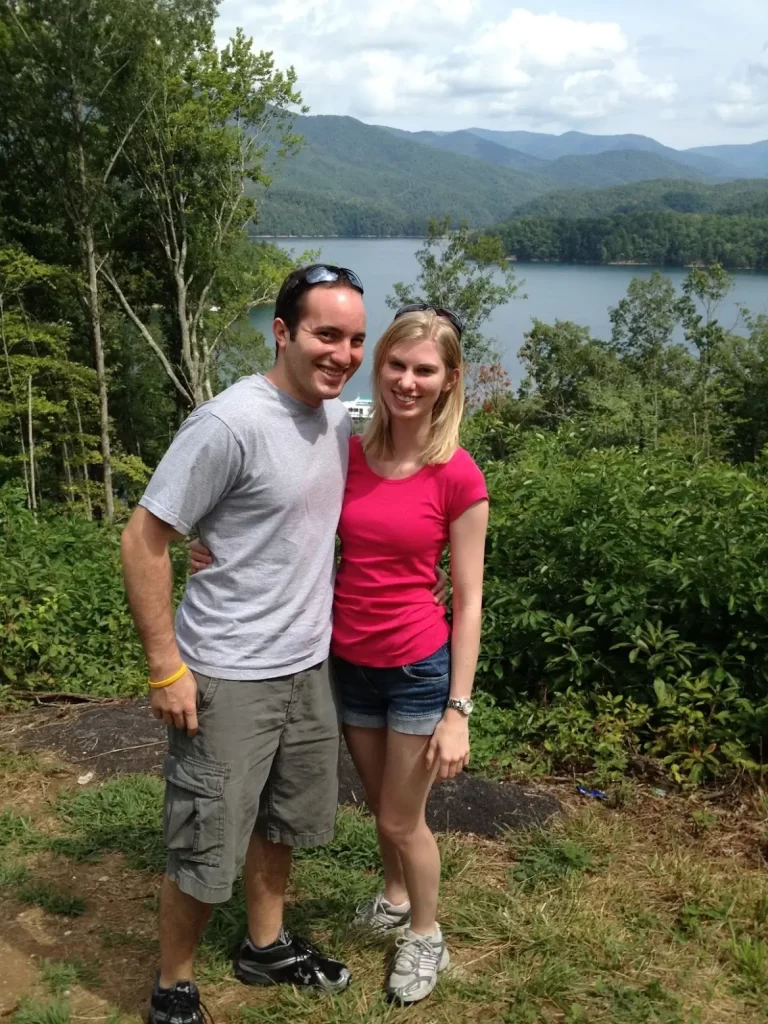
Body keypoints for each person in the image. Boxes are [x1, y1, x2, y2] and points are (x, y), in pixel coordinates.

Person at [191, 303, 489, 1004]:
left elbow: (470, 599)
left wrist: (458, 710)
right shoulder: (348, 444)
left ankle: (425, 935)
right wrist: (210, 537)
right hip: (348, 662)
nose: (406, 381)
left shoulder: (457, 474)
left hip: (418, 668)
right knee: (383, 803)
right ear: (379, 364)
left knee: (397, 816)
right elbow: (272, 479)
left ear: (449, 380)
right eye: (396, 364)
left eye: (425, 370)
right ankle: (393, 895)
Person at [121, 265, 370, 1024]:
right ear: (283, 332)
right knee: (207, 843)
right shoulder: (229, 423)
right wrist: (167, 668)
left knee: (281, 823)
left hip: (306, 665)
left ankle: (264, 946)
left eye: (357, 338)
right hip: (228, 674)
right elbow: (143, 538)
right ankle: (173, 987)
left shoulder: (332, 415)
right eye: (328, 335)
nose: (344, 353)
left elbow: (403, 411)